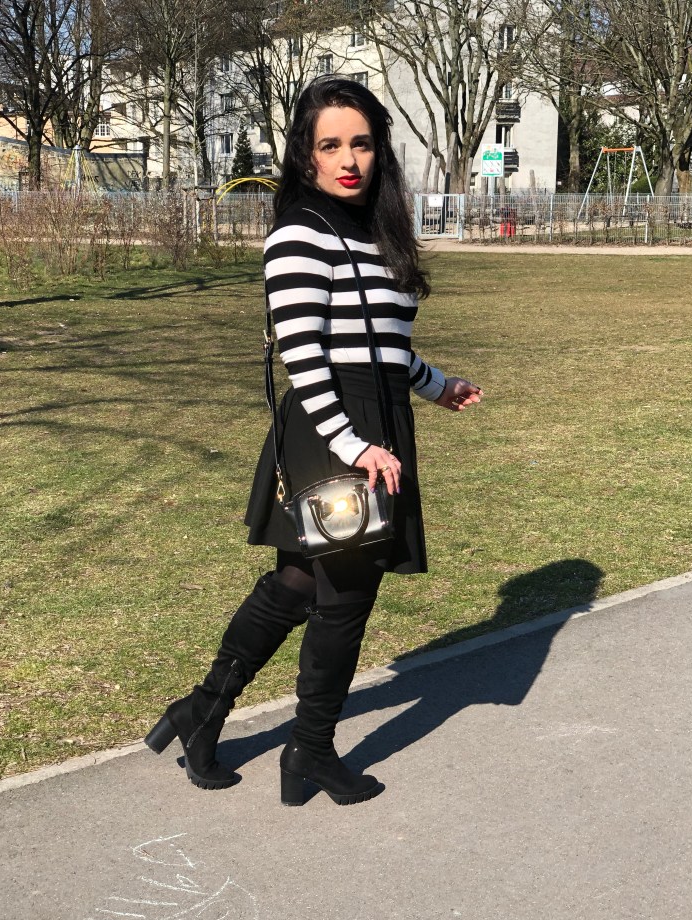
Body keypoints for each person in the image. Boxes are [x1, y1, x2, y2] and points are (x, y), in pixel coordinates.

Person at [145, 76, 482, 806]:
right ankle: (310, 753)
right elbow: (305, 354)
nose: (348, 158)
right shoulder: (300, 234)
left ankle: (202, 710)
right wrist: (354, 444)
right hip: (337, 428)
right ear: (305, 156)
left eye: (360, 142)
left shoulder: (378, 232)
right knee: (346, 593)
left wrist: (436, 384)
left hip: (379, 417)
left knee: (302, 578)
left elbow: (385, 344)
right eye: (330, 145)